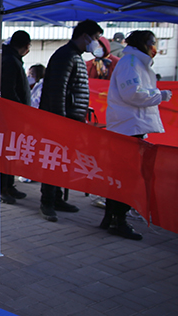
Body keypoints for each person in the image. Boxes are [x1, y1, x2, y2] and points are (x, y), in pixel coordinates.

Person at [100, 30, 172, 240]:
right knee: (126, 176)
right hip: (128, 127)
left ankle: (111, 218)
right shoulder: (130, 63)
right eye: (151, 42)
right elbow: (133, 93)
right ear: (142, 44)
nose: (154, 46)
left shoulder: (135, 62)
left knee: (120, 175)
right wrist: (160, 95)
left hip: (130, 126)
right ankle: (118, 220)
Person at [38, 19, 103, 222]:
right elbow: (58, 91)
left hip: (69, 120)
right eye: (95, 38)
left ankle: (57, 197)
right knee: (53, 161)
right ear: (84, 36)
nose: (96, 43)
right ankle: (47, 201)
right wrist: (61, 122)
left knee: (61, 162)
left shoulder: (73, 56)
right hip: (61, 121)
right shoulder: (66, 56)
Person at [0, 30, 31, 204]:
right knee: (6, 153)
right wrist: (19, 110)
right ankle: (4, 187)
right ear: (26, 46)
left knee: (11, 153)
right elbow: (9, 91)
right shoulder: (10, 61)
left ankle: (9, 185)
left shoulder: (12, 59)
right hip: (10, 115)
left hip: (13, 114)